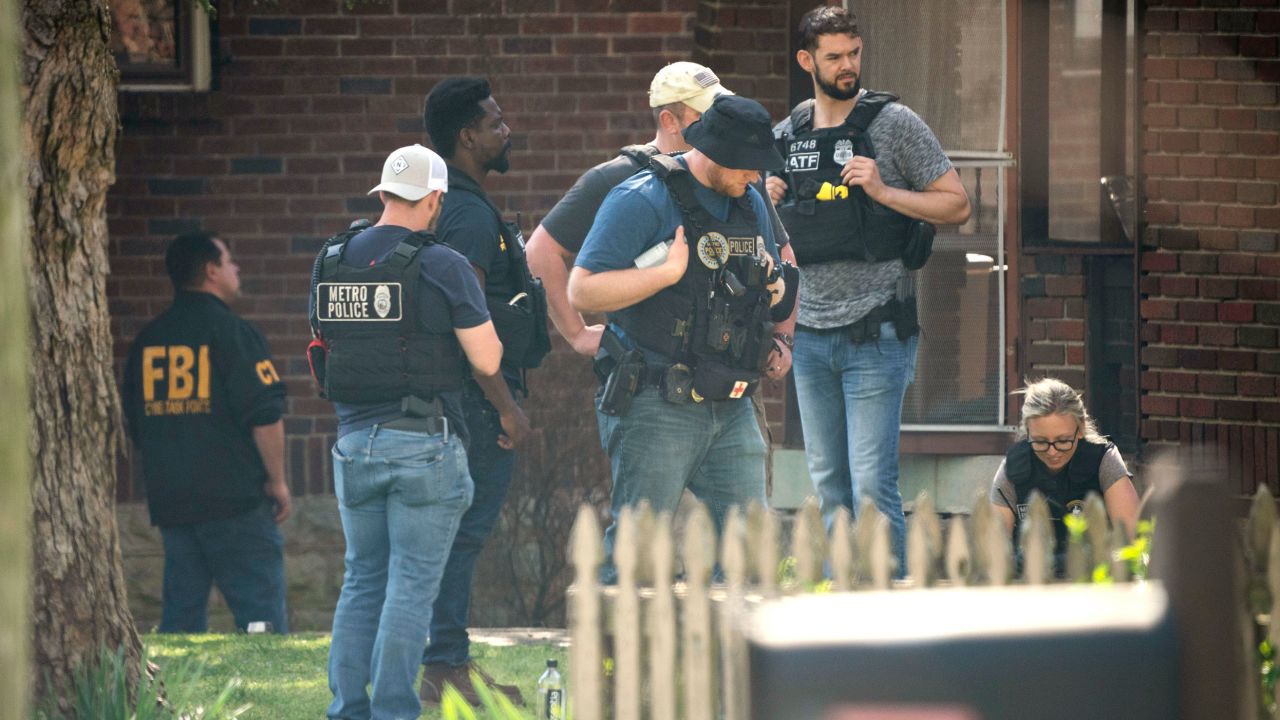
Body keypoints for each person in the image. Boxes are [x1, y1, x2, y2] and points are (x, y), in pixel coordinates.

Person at [313, 144, 529, 719]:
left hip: (352, 444)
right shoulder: (443, 263)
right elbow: (486, 360)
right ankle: (391, 711)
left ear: (382, 194)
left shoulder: (332, 258)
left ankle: (348, 710)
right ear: (435, 199)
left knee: (362, 581)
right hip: (423, 447)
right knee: (410, 586)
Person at [526, 62, 799, 491]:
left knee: (744, 543)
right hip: (660, 395)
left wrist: (781, 336)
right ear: (671, 120)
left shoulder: (744, 185)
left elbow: (782, 261)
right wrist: (578, 334)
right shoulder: (628, 183)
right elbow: (547, 257)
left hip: (732, 390)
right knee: (646, 546)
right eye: (705, 115)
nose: (714, 123)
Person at [767, 5, 971, 573]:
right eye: (834, 56)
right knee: (828, 485)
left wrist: (884, 192)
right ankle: (840, 615)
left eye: (854, 53)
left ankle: (891, 617)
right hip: (807, 337)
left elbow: (957, 203)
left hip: (876, 332)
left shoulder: (895, 123)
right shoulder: (787, 135)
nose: (848, 65)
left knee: (871, 484)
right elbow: (770, 246)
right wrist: (766, 201)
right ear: (807, 60)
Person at [569, 94, 795, 578]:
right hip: (657, 401)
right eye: (747, 167)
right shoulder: (642, 198)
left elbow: (772, 276)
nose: (755, 177)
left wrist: (779, 327)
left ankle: (729, 655)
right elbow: (582, 289)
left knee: (748, 556)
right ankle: (615, 654)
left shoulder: (750, 201)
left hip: (731, 401)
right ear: (715, 151)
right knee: (638, 556)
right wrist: (665, 274)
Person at [419, 77, 545, 706]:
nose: (506, 130)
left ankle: (444, 662)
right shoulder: (466, 214)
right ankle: (443, 667)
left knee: (453, 536)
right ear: (467, 137)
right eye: (496, 122)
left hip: (468, 400)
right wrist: (506, 406)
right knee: (461, 536)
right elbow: (464, 315)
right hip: (476, 405)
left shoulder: (462, 207)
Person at [122, 231, 290, 634]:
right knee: (259, 617)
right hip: (235, 500)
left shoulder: (147, 341)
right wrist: (278, 481)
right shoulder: (233, 332)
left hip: (173, 501)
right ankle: (264, 682)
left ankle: (176, 688)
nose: (237, 269)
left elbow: (135, 422)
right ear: (212, 270)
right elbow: (265, 415)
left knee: (181, 620)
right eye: (230, 261)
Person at [990, 378, 1140, 558]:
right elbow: (993, 551)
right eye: (1040, 441)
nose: (1052, 452)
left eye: (1063, 441)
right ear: (1027, 432)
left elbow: (1131, 541)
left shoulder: (1104, 460)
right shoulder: (1013, 467)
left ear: (1081, 429)